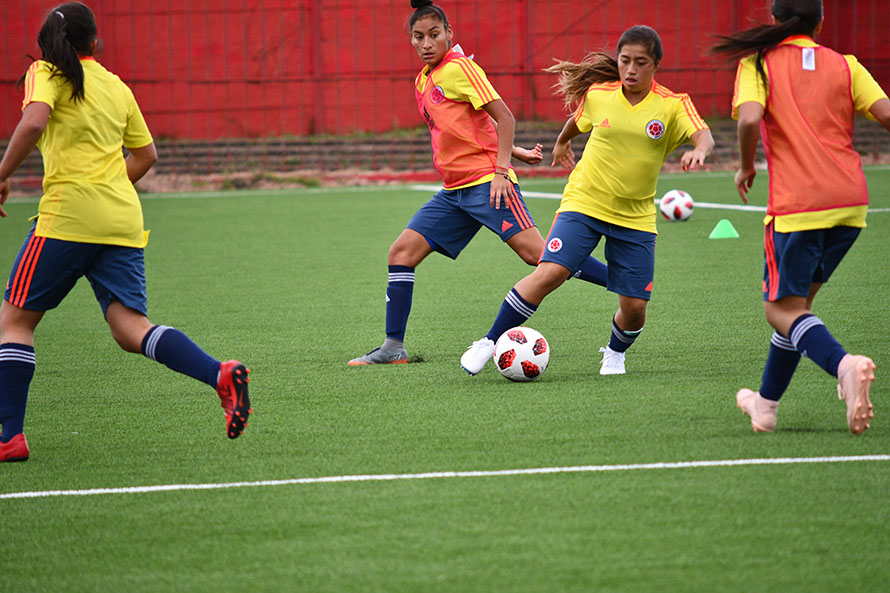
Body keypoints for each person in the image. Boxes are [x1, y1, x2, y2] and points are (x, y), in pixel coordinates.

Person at [0, 2, 252, 463]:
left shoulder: (46, 71)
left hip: (67, 217)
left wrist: (2, 174)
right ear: (95, 42)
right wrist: (109, 187)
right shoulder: (116, 86)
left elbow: (34, 121)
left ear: (50, 44)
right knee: (129, 328)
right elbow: (146, 155)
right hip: (121, 219)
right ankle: (219, 374)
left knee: (15, 322)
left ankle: (9, 437)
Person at [348, 0, 609, 366]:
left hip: (488, 184)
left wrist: (503, 169)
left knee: (540, 256)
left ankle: (622, 282)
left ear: (449, 34)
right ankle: (393, 348)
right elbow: (468, 127)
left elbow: (504, 117)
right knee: (401, 254)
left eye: (434, 35)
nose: (426, 43)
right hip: (454, 192)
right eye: (418, 37)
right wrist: (515, 151)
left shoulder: (461, 68)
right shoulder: (424, 79)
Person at [461, 25, 714, 376]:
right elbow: (576, 123)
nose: (630, 69)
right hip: (584, 202)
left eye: (640, 63)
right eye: (625, 60)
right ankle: (488, 342)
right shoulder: (599, 94)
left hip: (635, 216)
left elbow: (704, 135)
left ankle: (614, 352)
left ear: (655, 64)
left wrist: (699, 151)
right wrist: (563, 143)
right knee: (550, 272)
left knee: (635, 307)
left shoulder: (672, 105)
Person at [712, 0, 890, 434]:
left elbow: (750, 118)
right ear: (820, 22)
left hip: (799, 206)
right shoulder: (846, 64)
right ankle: (766, 406)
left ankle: (843, 365)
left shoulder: (759, 63)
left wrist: (747, 165)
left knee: (780, 310)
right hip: (851, 203)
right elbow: (886, 114)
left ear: (774, 20)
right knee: (799, 308)